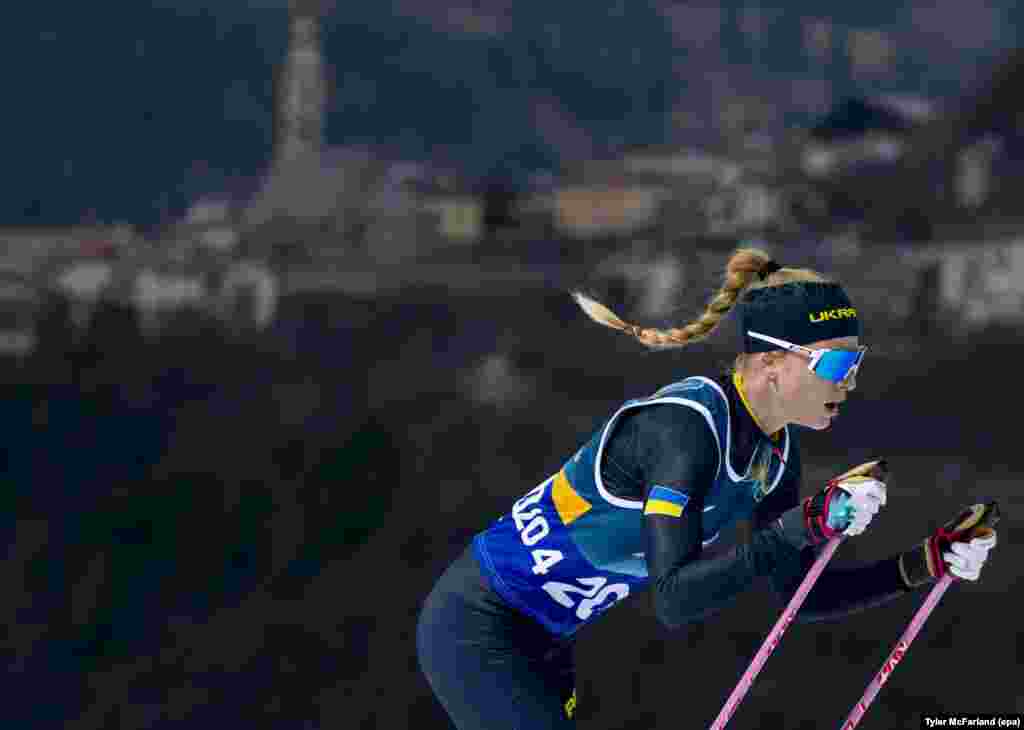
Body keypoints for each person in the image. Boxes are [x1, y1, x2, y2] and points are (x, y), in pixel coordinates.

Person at [415, 247, 998, 729]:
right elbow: (672, 600)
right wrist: (804, 524)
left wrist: (923, 563)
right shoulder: (685, 431)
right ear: (772, 364)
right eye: (833, 367)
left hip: (547, 643)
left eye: (855, 365)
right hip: (478, 624)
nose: (848, 383)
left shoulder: (776, 452)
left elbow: (800, 596)